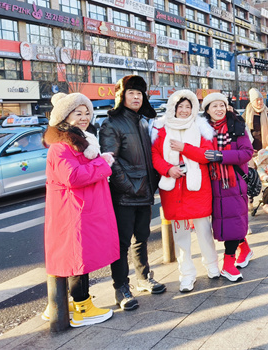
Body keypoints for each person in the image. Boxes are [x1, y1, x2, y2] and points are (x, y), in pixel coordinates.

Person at [42, 92, 117, 327]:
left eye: (87, 113)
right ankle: (82, 308)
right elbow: (72, 176)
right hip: (73, 211)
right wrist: (102, 163)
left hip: (79, 209)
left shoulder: (79, 140)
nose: (84, 117)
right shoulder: (61, 146)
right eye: (78, 113)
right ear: (65, 116)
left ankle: (59, 306)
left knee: (75, 258)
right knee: (76, 259)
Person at [99, 75, 165, 311]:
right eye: (131, 93)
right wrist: (129, 186)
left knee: (142, 238)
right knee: (122, 243)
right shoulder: (112, 123)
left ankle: (144, 278)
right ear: (121, 96)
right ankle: (121, 288)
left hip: (145, 190)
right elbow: (110, 161)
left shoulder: (143, 121)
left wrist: (152, 183)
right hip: (125, 194)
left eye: (140, 93)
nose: (137, 97)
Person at [151, 90, 219, 293]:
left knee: (204, 231)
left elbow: (207, 155)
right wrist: (167, 169)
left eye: (188, 107)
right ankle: (186, 274)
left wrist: (184, 148)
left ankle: (212, 265)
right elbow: (154, 154)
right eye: (180, 106)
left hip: (197, 187)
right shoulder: (161, 128)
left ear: (193, 109)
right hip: (173, 186)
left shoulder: (201, 126)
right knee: (180, 235)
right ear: (173, 107)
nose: (183, 110)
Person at [201, 92, 254, 281]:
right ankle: (245, 248)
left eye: (221, 105)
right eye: (214, 106)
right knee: (229, 222)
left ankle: (228, 264)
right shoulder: (203, 129)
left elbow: (247, 152)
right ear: (207, 110)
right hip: (213, 183)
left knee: (233, 221)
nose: (219, 109)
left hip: (233, 182)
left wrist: (222, 157)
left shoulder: (236, 126)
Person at [244, 88, 268, 152]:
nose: (260, 102)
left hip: (267, 146)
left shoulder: (267, 112)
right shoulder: (247, 113)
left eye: (261, 99)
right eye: (257, 100)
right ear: (252, 101)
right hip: (252, 147)